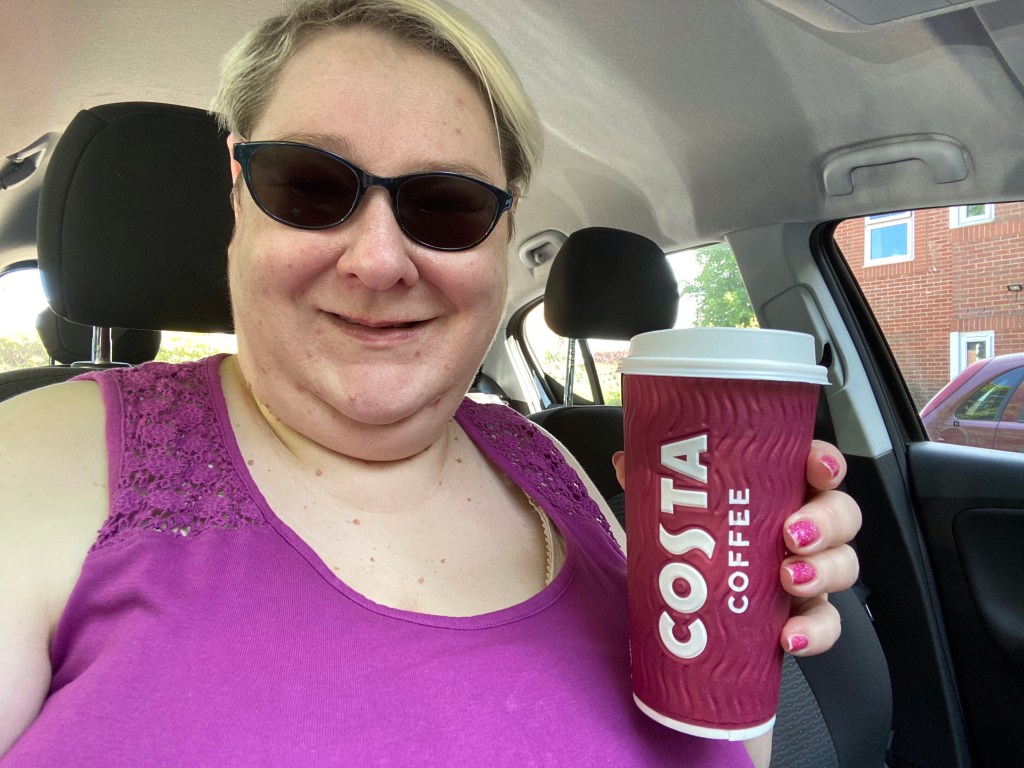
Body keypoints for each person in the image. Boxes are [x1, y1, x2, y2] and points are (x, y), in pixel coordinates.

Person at [0, 1, 861, 765]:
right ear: (238, 193)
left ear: (503, 233)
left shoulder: (550, 462)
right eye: (309, 186)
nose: (378, 261)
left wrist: (745, 623)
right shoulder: (36, 465)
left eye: (447, 203)